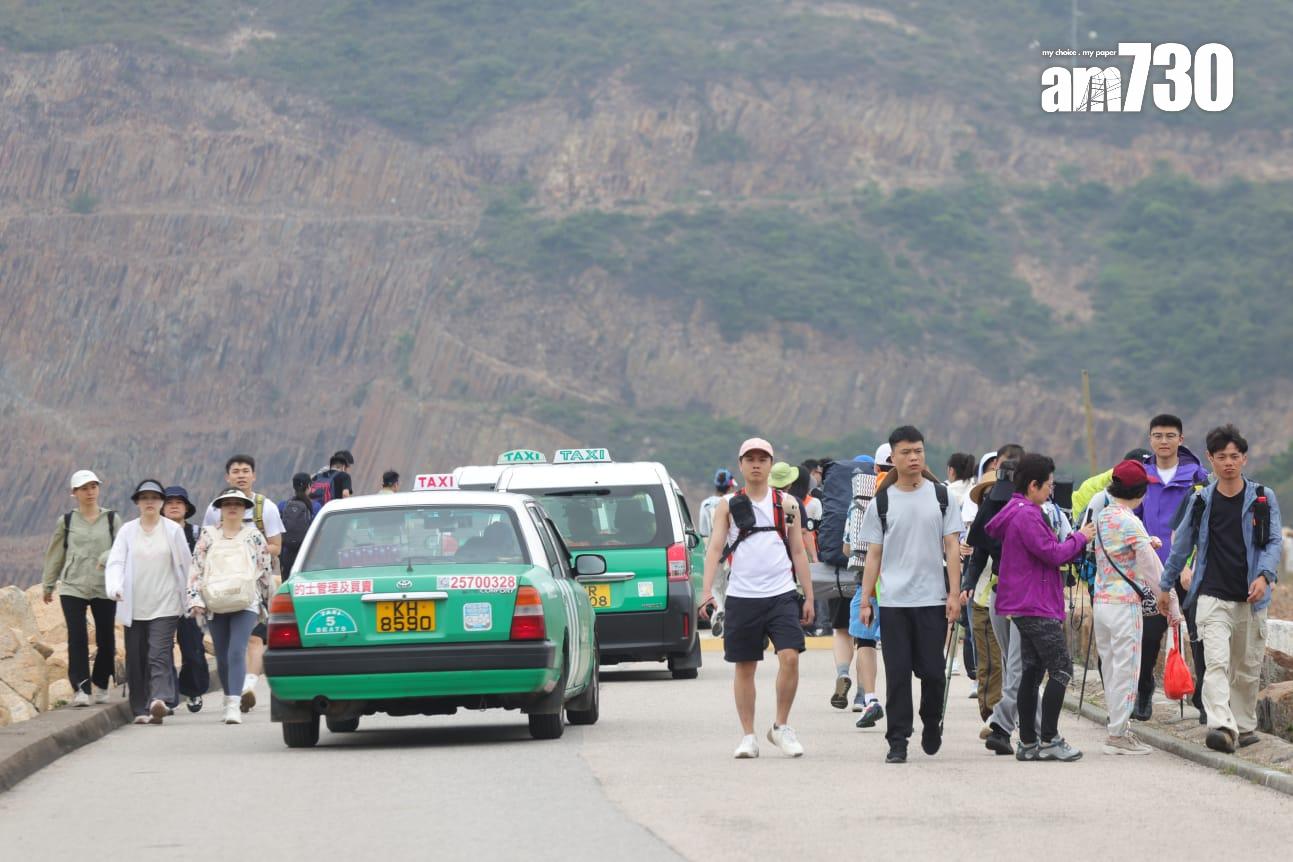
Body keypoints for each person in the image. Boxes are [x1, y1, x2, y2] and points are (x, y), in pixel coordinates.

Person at [1159, 425, 1282, 754]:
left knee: (1246, 667)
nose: (1229, 463)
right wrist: (1165, 585)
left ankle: (1243, 725)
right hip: (1211, 595)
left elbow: (1273, 541)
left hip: (1251, 598)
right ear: (1210, 459)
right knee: (1215, 663)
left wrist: (1265, 576)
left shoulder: (1262, 498)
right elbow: (1181, 546)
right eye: (1222, 457)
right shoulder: (1200, 500)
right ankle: (1222, 727)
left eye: (1234, 456)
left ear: (1244, 459)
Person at [700, 438, 815, 759]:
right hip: (742, 596)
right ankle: (748, 736)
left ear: (770, 464)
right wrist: (706, 591)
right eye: (749, 459)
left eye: (762, 459)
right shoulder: (728, 505)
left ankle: (781, 726)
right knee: (745, 666)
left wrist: (809, 595)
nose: (756, 464)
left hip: (781, 594)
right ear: (740, 465)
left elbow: (798, 551)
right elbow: (715, 548)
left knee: (790, 657)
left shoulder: (787, 504)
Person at [857, 426, 962, 764]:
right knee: (898, 674)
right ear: (893, 457)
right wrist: (865, 600)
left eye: (918, 450)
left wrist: (954, 594)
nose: (913, 457)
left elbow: (952, 547)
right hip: (893, 602)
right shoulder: (882, 502)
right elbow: (873, 555)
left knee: (933, 671)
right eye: (906, 452)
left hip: (932, 599)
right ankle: (898, 740)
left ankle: (931, 721)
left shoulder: (942, 497)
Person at [987, 453, 1095, 762]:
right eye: (1048, 485)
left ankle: (1028, 742)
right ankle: (1049, 738)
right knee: (1061, 668)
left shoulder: (1018, 510)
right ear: (1033, 485)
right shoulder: (1028, 515)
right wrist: (1080, 537)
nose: (1051, 490)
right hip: (1035, 603)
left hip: (1025, 602)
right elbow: (1053, 554)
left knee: (1032, 672)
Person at [1092, 460, 1178, 755]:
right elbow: (1153, 570)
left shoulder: (1104, 516)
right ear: (1141, 492)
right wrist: (1172, 604)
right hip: (1125, 605)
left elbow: (1117, 548)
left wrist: (1146, 541)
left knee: (1111, 669)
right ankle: (1119, 735)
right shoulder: (1131, 522)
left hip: (1102, 602)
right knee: (1127, 671)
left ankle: (1116, 727)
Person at [1131, 415, 1211, 722]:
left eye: (1170, 435)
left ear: (1181, 439)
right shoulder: (1141, 476)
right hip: (1153, 572)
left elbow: (1204, 526)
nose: (1163, 441)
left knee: (1199, 635)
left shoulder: (1198, 477)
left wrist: (1190, 564)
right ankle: (1144, 691)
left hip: (1190, 573)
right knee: (1149, 636)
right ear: (1150, 439)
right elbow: (1133, 521)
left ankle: (1204, 700)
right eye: (1158, 435)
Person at [105, 480, 192, 725]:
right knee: (136, 657)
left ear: (162, 502)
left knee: (159, 652)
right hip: (134, 604)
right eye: (144, 498)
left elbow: (186, 565)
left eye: (154, 497)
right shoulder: (128, 531)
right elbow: (116, 562)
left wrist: (192, 596)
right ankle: (140, 709)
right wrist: (115, 587)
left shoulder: (172, 531)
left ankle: (159, 700)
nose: (150, 502)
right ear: (137, 502)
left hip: (166, 603)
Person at [202, 454, 283, 712]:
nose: (241, 475)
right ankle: (235, 691)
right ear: (227, 477)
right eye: (235, 471)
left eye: (246, 470)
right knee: (227, 647)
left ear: (254, 476)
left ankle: (246, 686)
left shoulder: (266, 508)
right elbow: (206, 544)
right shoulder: (214, 509)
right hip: (221, 587)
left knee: (254, 640)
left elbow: (276, 546)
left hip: (253, 586)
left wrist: (249, 552)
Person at [188, 488, 274, 725]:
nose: (233, 507)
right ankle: (229, 697)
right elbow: (196, 568)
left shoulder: (254, 537)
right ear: (220, 508)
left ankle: (234, 704)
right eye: (227, 503)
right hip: (215, 601)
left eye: (238, 503)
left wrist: (267, 601)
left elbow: (265, 570)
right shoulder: (207, 536)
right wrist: (196, 600)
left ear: (245, 508)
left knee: (237, 649)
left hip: (246, 601)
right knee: (223, 654)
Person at [41, 469, 118, 707]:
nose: (90, 492)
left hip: (103, 586)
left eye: (93, 487)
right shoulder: (66, 522)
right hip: (73, 586)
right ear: (74, 493)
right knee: (77, 637)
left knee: (106, 638)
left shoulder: (111, 519)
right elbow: (55, 554)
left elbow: (123, 548)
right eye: (84, 488)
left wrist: (105, 557)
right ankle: (81, 688)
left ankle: (102, 683)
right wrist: (48, 584)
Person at [842, 454, 882, 726]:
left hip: (866, 584)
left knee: (865, 642)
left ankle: (869, 698)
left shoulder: (860, 503)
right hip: (901, 585)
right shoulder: (913, 495)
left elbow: (848, 548)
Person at [163, 485, 209, 713]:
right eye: (169, 502)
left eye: (178, 502)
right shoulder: (155, 533)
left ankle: (192, 690)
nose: (174, 506)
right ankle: (166, 696)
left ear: (186, 507)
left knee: (192, 648)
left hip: (191, 600)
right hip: (162, 598)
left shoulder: (198, 534)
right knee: (162, 649)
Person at [278, 473, 316, 578]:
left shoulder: (283, 505)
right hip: (306, 555)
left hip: (286, 554)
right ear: (309, 486)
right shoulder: (315, 506)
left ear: (294, 486)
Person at [698, 469, 734, 539]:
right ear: (730, 487)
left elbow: (703, 532)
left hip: (710, 544)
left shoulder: (705, 504)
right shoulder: (733, 503)